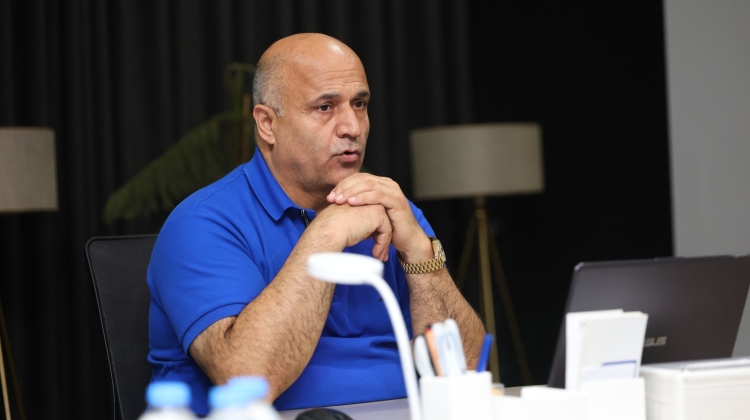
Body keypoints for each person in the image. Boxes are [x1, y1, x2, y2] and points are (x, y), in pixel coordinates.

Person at [147, 33, 485, 415]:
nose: (352, 127)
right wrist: (327, 233)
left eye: (359, 104)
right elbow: (246, 380)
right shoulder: (202, 223)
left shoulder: (389, 208)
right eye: (325, 107)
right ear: (267, 124)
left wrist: (420, 254)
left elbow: (468, 371)